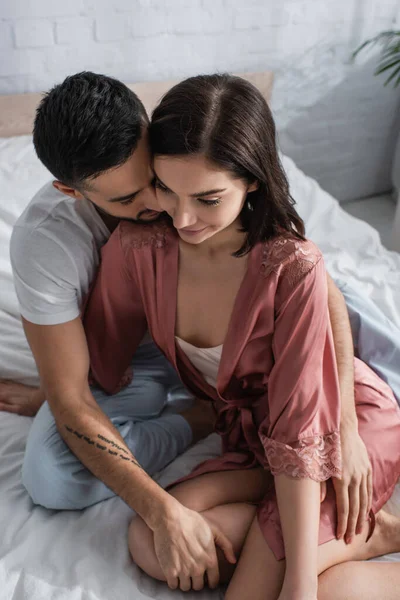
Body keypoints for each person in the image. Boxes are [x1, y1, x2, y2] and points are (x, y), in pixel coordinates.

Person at [83, 74, 400, 600]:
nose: (182, 217)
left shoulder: (290, 266)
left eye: (207, 198)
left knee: (300, 589)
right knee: (150, 538)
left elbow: (302, 427)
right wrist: (54, 392)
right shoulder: (137, 251)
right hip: (255, 443)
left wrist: (298, 586)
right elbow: (100, 361)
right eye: (166, 188)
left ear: (252, 180)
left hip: (337, 429)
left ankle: (359, 541)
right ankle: (359, 536)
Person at [5, 72, 215, 511]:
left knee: (351, 321)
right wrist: (160, 510)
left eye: (151, 179)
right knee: (53, 477)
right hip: (126, 364)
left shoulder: (194, 163)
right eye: (126, 200)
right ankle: (201, 418)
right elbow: (73, 397)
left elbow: (294, 263)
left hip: (216, 330)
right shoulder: (46, 241)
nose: (160, 205)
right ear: (70, 191)